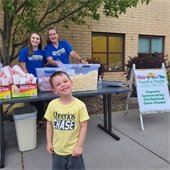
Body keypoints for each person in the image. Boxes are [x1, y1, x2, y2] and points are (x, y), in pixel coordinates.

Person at [44, 71, 89, 170]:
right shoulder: (52, 105)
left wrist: (79, 146)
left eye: (65, 81)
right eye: (58, 84)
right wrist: (49, 142)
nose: (63, 85)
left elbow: (84, 126)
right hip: (57, 151)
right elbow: (49, 124)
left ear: (71, 83)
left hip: (73, 152)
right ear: (55, 90)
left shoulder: (80, 106)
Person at [18, 32, 46, 127]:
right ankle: (32, 123)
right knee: (32, 102)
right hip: (29, 81)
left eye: (37, 38)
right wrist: (30, 79)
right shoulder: (24, 51)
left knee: (40, 102)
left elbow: (45, 65)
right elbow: (22, 66)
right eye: (33, 38)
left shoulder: (42, 52)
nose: (35, 40)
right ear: (30, 39)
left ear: (40, 41)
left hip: (40, 82)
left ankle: (39, 121)